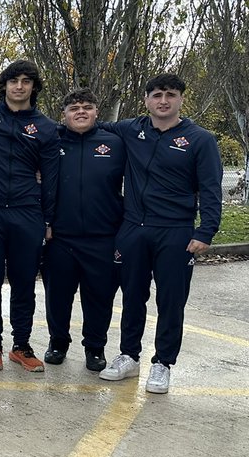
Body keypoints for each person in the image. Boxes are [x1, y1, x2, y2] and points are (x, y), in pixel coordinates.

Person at [98, 74, 222, 393]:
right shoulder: (132, 129)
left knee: (171, 300)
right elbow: (85, 127)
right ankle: (128, 356)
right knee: (133, 296)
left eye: (170, 94)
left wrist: (205, 230)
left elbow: (210, 190)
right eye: (156, 95)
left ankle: (162, 363)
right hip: (134, 230)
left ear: (181, 98)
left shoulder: (200, 139)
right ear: (146, 99)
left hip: (176, 232)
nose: (163, 101)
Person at [0, 59, 60, 371]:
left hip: (26, 213)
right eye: (13, 80)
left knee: (24, 282)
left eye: (26, 81)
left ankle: (22, 345)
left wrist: (48, 220)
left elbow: (52, 179)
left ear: (33, 87)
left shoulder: (44, 127)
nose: (19, 86)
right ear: (4, 84)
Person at [39, 89, 124, 371]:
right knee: (58, 296)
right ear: (64, 114)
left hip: (103, 236)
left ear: (97, 112)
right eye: (74, 108)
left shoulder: (114, 142)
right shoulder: (52, 142)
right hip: (60, 237)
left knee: (99, 297)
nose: (81, 112)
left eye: (87, 107)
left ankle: (95, 348)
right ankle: (58, 342)